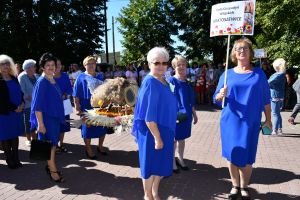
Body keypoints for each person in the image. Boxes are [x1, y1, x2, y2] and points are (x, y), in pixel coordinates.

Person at [214, 38, 272, 200]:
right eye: (238, 48)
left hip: (250, 121)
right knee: (231, 154)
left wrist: (268, 119)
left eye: (245, 48)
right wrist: (220, 95)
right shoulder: (227, 74)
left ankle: (244, 186)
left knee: (247, 156)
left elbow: (266, 98)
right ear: (233, 53)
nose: (241, 51)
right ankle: (235, 185)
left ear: (250, 52)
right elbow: (216, 98)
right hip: (230, 121)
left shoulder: (258, 74)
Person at [132, 47, 177, 200]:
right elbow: (149, 117)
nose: (161, 66)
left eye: (164, 63)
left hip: (165, 129)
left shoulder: (164, 80)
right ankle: (147, 195)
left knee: (160, 164)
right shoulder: (150, 82)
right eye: (156, 62)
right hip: (153, 131)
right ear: (149, 64)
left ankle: (155, 192)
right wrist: (157, 138)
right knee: (150, 166)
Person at [30, 53, 65, 182]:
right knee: (50, 145)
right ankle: (53, 171)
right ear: (42, 67)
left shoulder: (52, 79)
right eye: (48, 65)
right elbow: (37, 105)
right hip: (47, 119)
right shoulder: (42, 82)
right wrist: (41, 124)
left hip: (54, 118)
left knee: (53, 144)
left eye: (53, 65)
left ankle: (50, 166)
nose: (51, 67)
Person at [73, 56, 108, 159]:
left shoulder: (100, 76)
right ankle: (89, 150)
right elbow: (76, 94)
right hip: (86, 106)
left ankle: (100, 147)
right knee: (87, 130)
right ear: (85, 65)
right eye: (89, 63)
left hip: (101, 106)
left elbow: (106, 91)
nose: (92, 65)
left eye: (93, 63)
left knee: (102, 127)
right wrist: (77, 107)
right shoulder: (81, 77)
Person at [168, 55, 198, 173]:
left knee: (182, 138)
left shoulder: (187, 82)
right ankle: (172, 162)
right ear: (174, 67)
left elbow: (191, 101)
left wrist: (195, 114)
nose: (181, 67)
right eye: (178, 65)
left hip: (187, 115)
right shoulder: (171, 81)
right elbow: (168, 98)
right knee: (174, 139)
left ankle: (180, 159)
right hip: (175, 115)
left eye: (183, 65)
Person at [0, 55, 24, 169]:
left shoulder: (14, 78)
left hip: (16, 112)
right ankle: (9, 160)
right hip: (4, 114)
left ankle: (16, 158)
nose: (5, 66)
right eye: (2, 64)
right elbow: (1, 100)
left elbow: (21, 93)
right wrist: (14, 107)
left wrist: (22, 103)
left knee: (14, 135)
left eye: (7, 63)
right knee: (5, 136)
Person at [18, 59, 38, 147]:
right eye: (34, 66)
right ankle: (28, 139)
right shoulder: (22, 77)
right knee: (28, 122)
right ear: (28, 68)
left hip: (37, 104)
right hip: (28, 104)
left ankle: (35, 138)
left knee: (37, 121)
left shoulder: (37, 76)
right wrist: (30, 97)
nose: (35, 68)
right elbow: (22, 91)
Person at [54, 59, 73, 152]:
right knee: (55, 125)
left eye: (59, 64)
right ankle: (55, 145)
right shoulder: (49, 77)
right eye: (55, 65)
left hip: (65, 105)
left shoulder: (65, 75)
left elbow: (70, 88)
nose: (58, 67)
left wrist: (65, 95)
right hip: (53, 107)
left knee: (63, 125)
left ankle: (61, 144)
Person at [268, 58, 286, 135]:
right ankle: (280, 129)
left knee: (275, 113)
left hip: (274, 95)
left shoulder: (277, 75)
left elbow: (268, 82)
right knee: (278, 113)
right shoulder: (283, 74)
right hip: (280, 95)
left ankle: (274, 130)